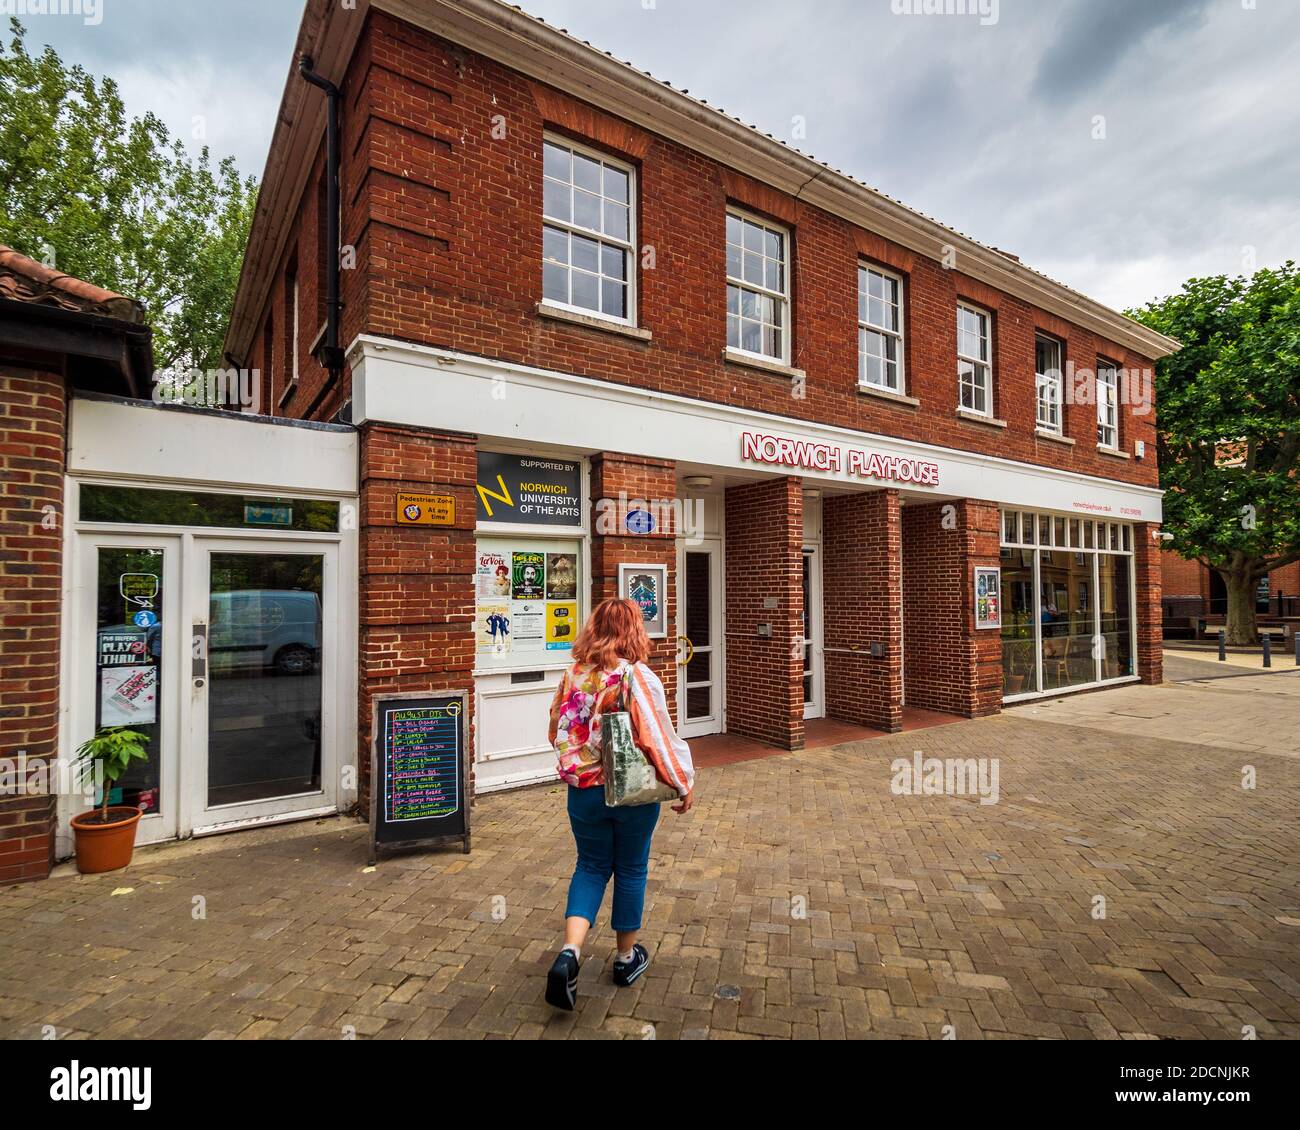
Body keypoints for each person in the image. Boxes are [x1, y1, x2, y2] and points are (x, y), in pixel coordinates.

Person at [544, 597, 695, 1011]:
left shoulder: (573, 674)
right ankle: (627, 959)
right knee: (630, 868)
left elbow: (555, 726)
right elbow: (656, 737)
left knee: (590, 866)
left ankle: (570, 953)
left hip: (584, 792)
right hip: (631, 793)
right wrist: (682, 783)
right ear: (634, 632)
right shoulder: (635, 676)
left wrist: (580, 760)